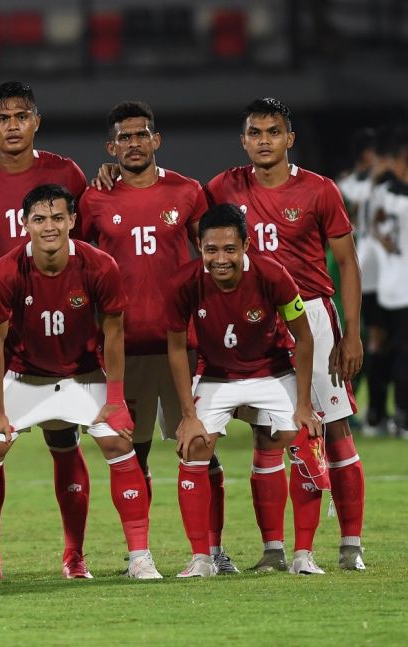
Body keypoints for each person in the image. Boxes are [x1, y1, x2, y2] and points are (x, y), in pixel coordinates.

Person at [0, 184, 158, 583]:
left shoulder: (99, 265)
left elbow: (114, 332)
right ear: (25, 223)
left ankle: (136, 557)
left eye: (58, 217)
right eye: (40, 219)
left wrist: (115, 399)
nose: (50, 226)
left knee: (118, 440)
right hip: (25, 376)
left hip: (82, 375)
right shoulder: (5, 271)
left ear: (72, 220)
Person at [204, 98, 365, 573]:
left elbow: (349, 264)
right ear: (244, 140)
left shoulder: (319, 191)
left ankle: (350, 544)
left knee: (334, 429)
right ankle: (274, 550)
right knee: (268, 432)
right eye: (255, 132)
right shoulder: (222, 188)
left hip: (313, 315)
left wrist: (350, 334)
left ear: (289, 139)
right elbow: (173, 204)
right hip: (258, 320)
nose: (264, 140)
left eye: (273, 132)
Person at [78, 101, 238, 574]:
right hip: (122, 349)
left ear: (156, 139)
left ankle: (212, 551)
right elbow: (79, 265)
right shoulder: (93, 200)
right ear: (111, 147)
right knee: (134, 453)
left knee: (200, 449)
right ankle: (139, 555)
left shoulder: (188, 192)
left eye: (140, 134)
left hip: (182, 345)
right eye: (123, 138)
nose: (133, 143)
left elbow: (214, 259)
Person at [0, 82, 91, 580]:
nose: (12, 125)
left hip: (59, 327)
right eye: (2, 117)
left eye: (21, 116)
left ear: (36, 122)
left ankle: (75, 555)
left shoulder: (65, 172)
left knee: (64, 440)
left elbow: (88, 236)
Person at [165, 204, 322, 577]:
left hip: (272, 371)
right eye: (211, 250)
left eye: (229, 249)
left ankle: (303, 554)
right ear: (199, 248)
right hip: (216, 375)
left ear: (246, 245)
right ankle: (202, 558)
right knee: (194, 445)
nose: (220, 259)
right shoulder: (183, 283)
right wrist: (188, 416)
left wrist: (303, 405)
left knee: (306, 439)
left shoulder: (272, 274)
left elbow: (303, 337)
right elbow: (175, 347)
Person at [337, 128, 386, 436]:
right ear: (368, 155)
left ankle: (362, 406)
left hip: (376, 269)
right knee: (357, 335)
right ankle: (349, 405)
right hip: (358, 267)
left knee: (370, 339)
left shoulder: (352, 184)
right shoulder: (353, 188)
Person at [371, 127, 408, 438]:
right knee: (400, 352)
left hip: (386, 286)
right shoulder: (395, 197)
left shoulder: (381, 195)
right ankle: (400, 417)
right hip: (400, 288)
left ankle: (379, 415)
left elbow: (375, 231)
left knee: (386, 350)